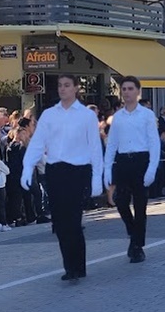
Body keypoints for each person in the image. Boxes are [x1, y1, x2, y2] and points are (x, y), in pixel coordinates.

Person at [21, 74, 103, 282]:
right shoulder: (49, 115)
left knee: (73, 220)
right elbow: (38, 142)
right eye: (60, 86)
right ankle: (69, 265)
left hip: (78, 171)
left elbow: (94, 148)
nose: (63, 89)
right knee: (59, 221)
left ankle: (78, 265)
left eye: (67, 85)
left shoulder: (86, 116)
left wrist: (96, 179)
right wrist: (27, 167)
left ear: (76, 88)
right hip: (55, 170)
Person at [103, 76, 161, 264]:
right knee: (120, 201)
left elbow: (154, 142)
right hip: (122, 161)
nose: (126, 92)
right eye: (124, 89)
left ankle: (137, 246)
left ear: (138, 92)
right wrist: (107, 168)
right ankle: (132, 231)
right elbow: (111, 144)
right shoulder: (117, 117)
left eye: (130, 89)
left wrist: (152, 168)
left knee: (140, 205)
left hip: (140, 160)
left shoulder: (146, 115)